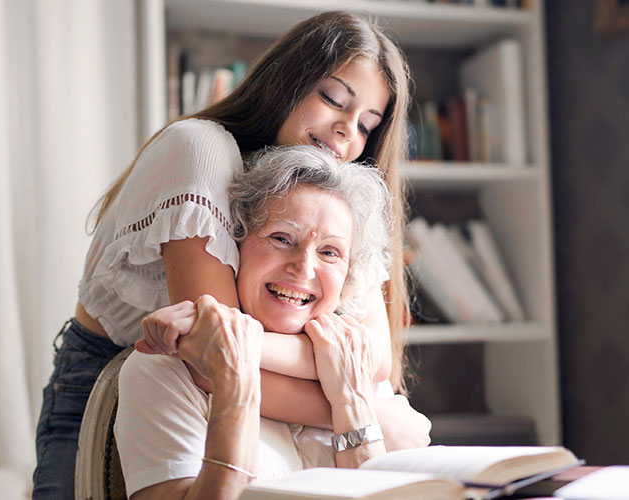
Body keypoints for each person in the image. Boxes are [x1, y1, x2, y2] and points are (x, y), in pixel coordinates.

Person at [32, 10, 423, 500]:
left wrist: (355, 387)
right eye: (332, 99)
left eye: (367, 124)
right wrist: (364, 407)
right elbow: (211, 363)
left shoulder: (336, 195)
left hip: (243, 399)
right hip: (116, 386)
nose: (347, 131)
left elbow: (373, 359)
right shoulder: (200, 150)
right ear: (285, 82)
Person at [115, 146, 423, 500]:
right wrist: (236, 382)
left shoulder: (359, 375)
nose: (304, 268)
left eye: (329, 252)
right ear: (237, 244)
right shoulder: (165, 371)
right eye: (281, 238)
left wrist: (353, 405)